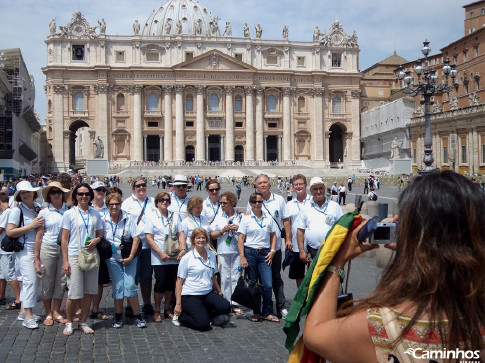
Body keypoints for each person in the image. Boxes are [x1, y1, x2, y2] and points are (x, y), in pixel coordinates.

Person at [303, 170, 485, 362]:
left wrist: (337, 261)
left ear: (402, 228)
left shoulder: (378, 329)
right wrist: (415, 246)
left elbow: (315, 333)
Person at [60, 183, 104, 335]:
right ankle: (69, 321)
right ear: (75, 196)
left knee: (89, 292)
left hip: (91, 255)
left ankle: (83, 321)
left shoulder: (95, 214)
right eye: (80, 194)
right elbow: (64, 239)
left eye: (86, 194)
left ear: (91, 196)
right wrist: (65, 261)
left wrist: (96, 240)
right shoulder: (69, 214)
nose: (84, 196)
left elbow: (100, 234)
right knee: (74, 292)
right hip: (74, 255)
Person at [248, 174, 291, 319]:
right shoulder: (253, 200)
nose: (263, 185)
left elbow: (286, 221)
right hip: (258, 247)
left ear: (270, 184)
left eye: (265, 182)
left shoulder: (279, 200)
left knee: (276, 277)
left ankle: (280, 306)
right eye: (260, 183)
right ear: (256, 185)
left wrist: (288, 240)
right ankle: (261, 307)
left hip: (275, 247)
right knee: (260, 280)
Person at [103, 192, 146, 329]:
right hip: (113, 258)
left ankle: (137, 315)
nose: (114, 206)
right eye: (111, 204)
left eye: (117, 204)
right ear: (107, 206)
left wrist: (131, 257)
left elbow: (136, 238)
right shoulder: (103, 219)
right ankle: (117, 315)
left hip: (129, 257)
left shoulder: (128, 218)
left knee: (130, 285)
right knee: (118, 286)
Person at [174, 228, 231, 331]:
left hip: (207, 293)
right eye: (198, 238)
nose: (201, 240)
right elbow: (179, 282)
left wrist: (219, 291)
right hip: (191, 295)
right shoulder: (187, 258)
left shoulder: (211, 255)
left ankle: (203, 313)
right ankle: (182, 317)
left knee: (226, 306)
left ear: (207, 240)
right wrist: (178, 304)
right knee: (203, 325)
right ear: (193, 240)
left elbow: (213, 275)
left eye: (203, 237)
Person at [6, 181, 44, 329]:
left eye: (28, 192)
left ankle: (24, 311)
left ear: (33, 193)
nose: (26, 195)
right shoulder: (17, 211)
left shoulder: (36, 207)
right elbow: (10, 231)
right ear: (19, 196)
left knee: (34, 281)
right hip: (24, 250)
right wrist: (31, 226)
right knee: (30, 281)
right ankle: (28, 316)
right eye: (23, 193)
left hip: (37, 248)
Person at [239, 192, 279, 322]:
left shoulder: (268, 218)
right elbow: (241, 238)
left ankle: (267, 311)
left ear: (262, 203)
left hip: (264, 254)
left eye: (259, 202)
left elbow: (273, 235)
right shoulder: (246, 219)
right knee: (253, 284)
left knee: (268, 284)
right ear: (250, 204)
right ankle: (256, 311)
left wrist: (272, 250)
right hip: (250, 253)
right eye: (254, 202)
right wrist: (242, 257)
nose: (257, 204)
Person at [34, 182, 70, 326]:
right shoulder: (44, 212)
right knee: (47, 281)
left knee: (61, 281)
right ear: (49, 195)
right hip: (48, 248)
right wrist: (36, 257)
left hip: (64, 249)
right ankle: (48, 312)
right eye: (53, 192)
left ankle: (56, 311)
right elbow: (39, 235)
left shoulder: (69, 211)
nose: (56, 194)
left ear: (62, 194)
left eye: (58, 192)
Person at [145, 191, 185, 323]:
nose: (164, 202)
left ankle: (167, 308)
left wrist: (183, 249)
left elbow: (180, 234)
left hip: (173, 256)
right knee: (160, 282)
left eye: (167, 200)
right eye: (162, 199)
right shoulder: (151, 216)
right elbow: (149, 238)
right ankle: (157, 309)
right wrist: (160, 253)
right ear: (157, 202)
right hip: (159, 257)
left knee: (170, 284)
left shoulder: (175, 216)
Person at [121, 177, 155, 317]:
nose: (141, 188)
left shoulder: (153, 202)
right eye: (138, 185)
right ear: (133, 187)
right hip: (132, 245)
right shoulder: (127, 203)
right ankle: (130, 305)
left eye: (143, 185)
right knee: (132, 277)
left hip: (149, 244)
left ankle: (147, 303)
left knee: (147, 276)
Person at [209, 191, 242, 314]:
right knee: (224, 277)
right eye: (221, 203)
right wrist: (222, 230)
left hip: (237, 251)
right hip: (223, 251)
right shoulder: (218, 217)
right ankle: (226, 302)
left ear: (231, 203)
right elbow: (212, 234)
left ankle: (235, 302)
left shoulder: (240, 217)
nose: (222, 205)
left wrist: (238, 229)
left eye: (225, 203)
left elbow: (246, 233)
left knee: (236, 276)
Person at [296, 177, 343, 261]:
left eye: (321, 188)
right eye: (315, 189)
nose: (318, 191)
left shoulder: (335, 206)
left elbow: (342, 228)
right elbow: (300, 230)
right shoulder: (305, 207)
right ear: (311, 191)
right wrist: (302, 250)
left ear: (324, 189)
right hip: (313, 251)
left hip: (331, 250)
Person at [89, 181, 110, 321]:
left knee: (100, 281)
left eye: (103, 190)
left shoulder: (109, 209)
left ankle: (95, 309)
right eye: (98, 190)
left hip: (101, 248)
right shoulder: (86, 207)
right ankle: (79, 309)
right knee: (83, 279)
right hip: (86, 247)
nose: (101, 192)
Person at [286, 175, 311, 288]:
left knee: (314, 274)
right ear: (293, 187)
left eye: (301, 184)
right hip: (296, 245)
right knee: (298, 275)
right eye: (296, 185)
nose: (298, 186)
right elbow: (286, 223)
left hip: (312, 244)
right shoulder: (289, 204)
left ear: (306, 185)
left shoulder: (313, 201)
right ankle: (301, 299)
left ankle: (313, 300)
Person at [0, 192, 21, 311]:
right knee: (2, 274)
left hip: (6, 248)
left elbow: (1, 229)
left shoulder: (7, 212)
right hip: (2, 248)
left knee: (9, 273)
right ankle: (1, 296)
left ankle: (19, 299)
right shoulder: (6, 212)